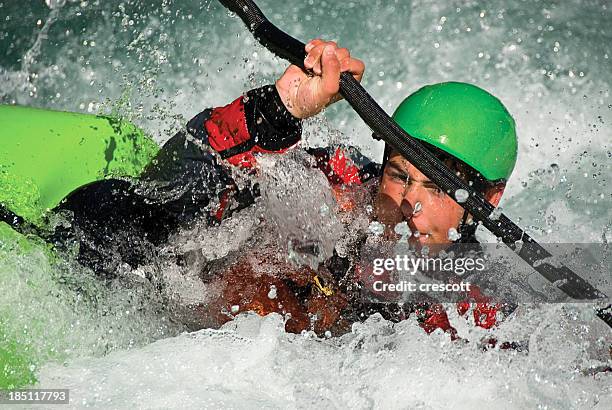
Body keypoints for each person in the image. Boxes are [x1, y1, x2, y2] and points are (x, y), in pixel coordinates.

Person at [52, 39, 518, 337]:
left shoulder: (470, 305)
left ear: (488, 201)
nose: (412, 205)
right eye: (399, 176)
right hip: (169, 315)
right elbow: (162, 197)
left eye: (437, 189)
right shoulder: (329, 188)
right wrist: (278, 110)